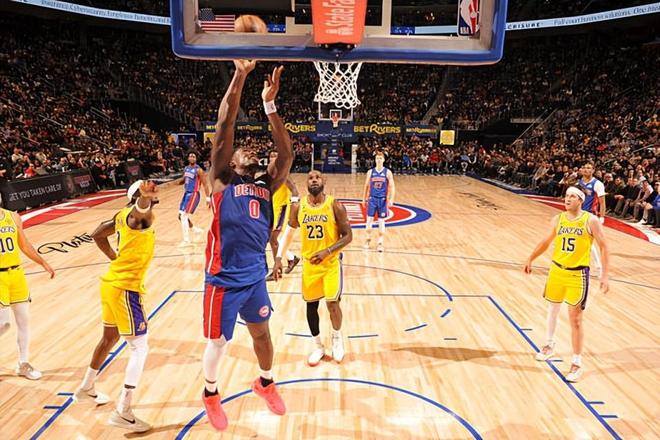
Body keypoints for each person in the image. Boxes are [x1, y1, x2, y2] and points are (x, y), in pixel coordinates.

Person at [201, 61, 293, 432]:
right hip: (223, 278)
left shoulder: (267, 184)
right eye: (242, 150)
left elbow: (286, 154)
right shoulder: (221, 179)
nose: (248, 150)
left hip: (254, 276)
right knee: (219, 342)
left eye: (252, 149)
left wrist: (270, 105)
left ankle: (265, 383)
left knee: (262, 333)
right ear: (231, 160)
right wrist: (240, 76)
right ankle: (210, 394)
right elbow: (225, 124)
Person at [73, 180, 158, 433]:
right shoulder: (138, 217)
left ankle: (86, 388)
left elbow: (98, 233)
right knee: (139, 347)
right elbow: (140, 212)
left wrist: (113, 257)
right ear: (137, 197)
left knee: (109, 338)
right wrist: (144, 199)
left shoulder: (121, 216)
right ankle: (124, 410)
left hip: (111, 284)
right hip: (126, 289)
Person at [523, 186, 610, 383]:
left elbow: (604, 246)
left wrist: (605, 275)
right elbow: (545, 242)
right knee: (552, 309)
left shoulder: (590, 220)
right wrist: (530, 258)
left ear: (580, 200)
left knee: (575, 319)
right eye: (566, 196)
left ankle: (577, 362)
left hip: (577, 275)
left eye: (572, 196)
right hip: (556, 271)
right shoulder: (558, 219)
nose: (567, 199)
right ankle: (549, 345)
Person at [274, 170, 352, 365]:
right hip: (310, 265)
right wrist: (278, 258)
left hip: (331, 263)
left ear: (323, 180)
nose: (314, 180)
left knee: (332, 303)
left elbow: (348, 236)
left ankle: (337, 339)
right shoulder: (298, 207)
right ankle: (318, 346)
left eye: (317, 177)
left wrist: (327, 251)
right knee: (311, 306)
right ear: (306, 183)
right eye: (310, 178)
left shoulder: (335, 205)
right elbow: (288, 235)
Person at [0, 195, 55, 380]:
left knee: (24, 320)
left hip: (16, 274)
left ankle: (23, 363)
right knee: (4, 323)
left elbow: (23, 244)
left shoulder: (13, 217)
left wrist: (43, 262)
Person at [266, 150, 300, 281]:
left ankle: (277, 270)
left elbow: (295, 191)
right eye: (271, 156)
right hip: (272, 208)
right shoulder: (269, 173)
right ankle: (291, 258)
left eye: (276, 156)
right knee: (272, 239)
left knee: (273, 239)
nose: (273, 158)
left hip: (281, 208)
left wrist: (294, 209)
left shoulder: (282, 173)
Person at [361, 151, 395, 252]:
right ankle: (368, 239)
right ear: (375, 160)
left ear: (383, 160)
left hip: (382, 200)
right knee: (369, 221)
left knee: (381, 222)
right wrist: (363, 199)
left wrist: (391, 199)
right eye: (377, 158)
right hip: (372, 199)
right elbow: (366, 186)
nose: (379, 160)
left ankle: (380, 242)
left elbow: (392, 186)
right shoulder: (370, 172)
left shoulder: (388, 172)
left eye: (380, 158)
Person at [178, 152, 211, 246]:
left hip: (194, 194)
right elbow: (184, 180)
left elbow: (205, 184)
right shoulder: (186, 168)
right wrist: (177, 183)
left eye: (194, 156)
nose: (192, 158)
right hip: (186, 193)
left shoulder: (199, 170)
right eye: (190, 156)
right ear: (188, 158)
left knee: (184, 216)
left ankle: (186, 241)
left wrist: (208, 198)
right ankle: (195, 230)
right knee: (180, 216)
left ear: (196, 159)